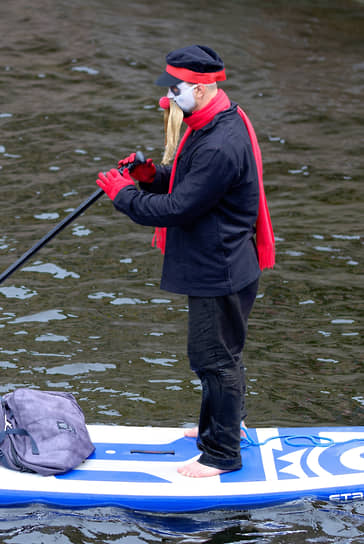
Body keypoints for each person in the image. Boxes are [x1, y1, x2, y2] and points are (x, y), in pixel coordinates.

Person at [96, 45, 275, 478]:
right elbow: (181, 182)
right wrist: (146, 176)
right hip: (224, 263)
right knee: (222, 355)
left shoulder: (219, 144)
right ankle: (222, 427)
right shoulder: (211, 122)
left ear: (201, 87)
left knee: (213, 359)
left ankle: (222, 454)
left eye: (175, 90)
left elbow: (178, 208)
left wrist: (125, 196)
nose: (168, 98)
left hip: (220, 269)